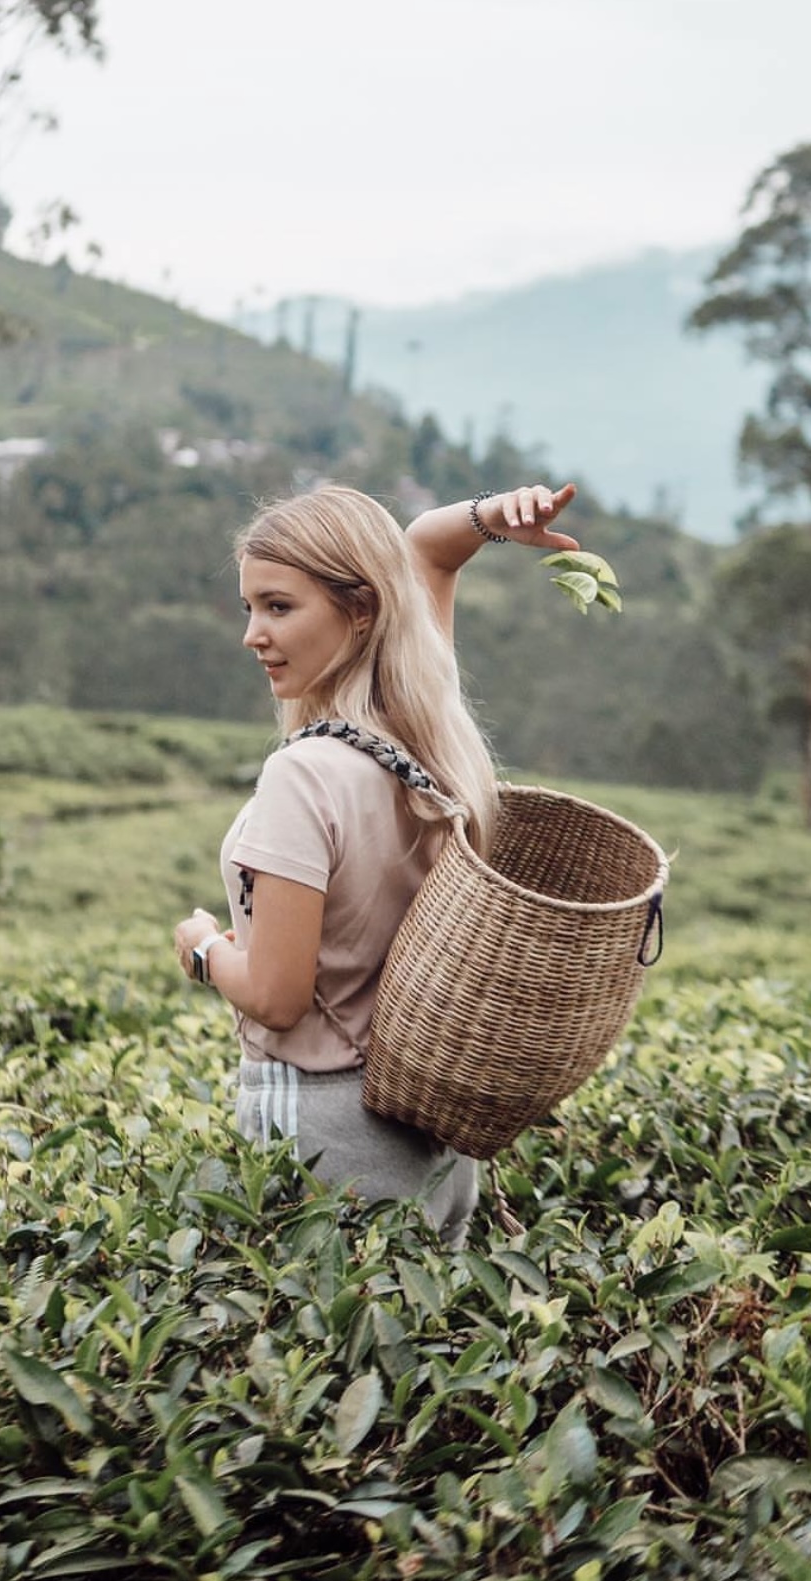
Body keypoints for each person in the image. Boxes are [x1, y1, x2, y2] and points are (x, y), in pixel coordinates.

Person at [173, 482, 578, 1247]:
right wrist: (493, 518)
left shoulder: (305, 774)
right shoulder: (424, 741)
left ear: (360, 610)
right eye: (249, 608)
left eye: (279, 606)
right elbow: (421, 549)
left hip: (325, 1136)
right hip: (430, 1143)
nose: (253, 634)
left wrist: (202, 948)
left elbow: (278, 996)